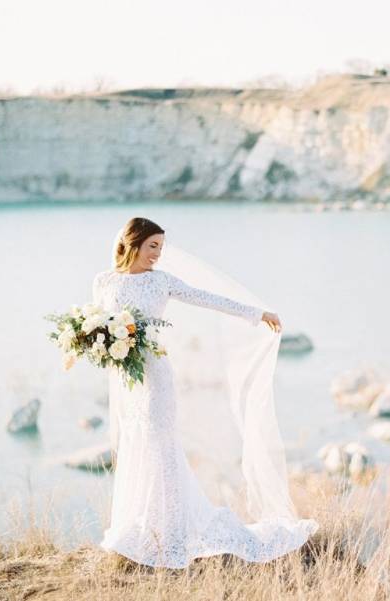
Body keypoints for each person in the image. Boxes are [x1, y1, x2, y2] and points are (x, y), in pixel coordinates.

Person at [92, 216, 318, 569]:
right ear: (132, 243)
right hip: (127, 379)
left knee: (160, 445)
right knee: (136, 444)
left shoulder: (162, 282)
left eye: (161, 248)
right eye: (153, 246)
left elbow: (206, 298)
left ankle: (171, 532)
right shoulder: (104, 282)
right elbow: (99, 327)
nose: (157, 254)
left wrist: (257, 313)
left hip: (155, 375)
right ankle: (139, 527)